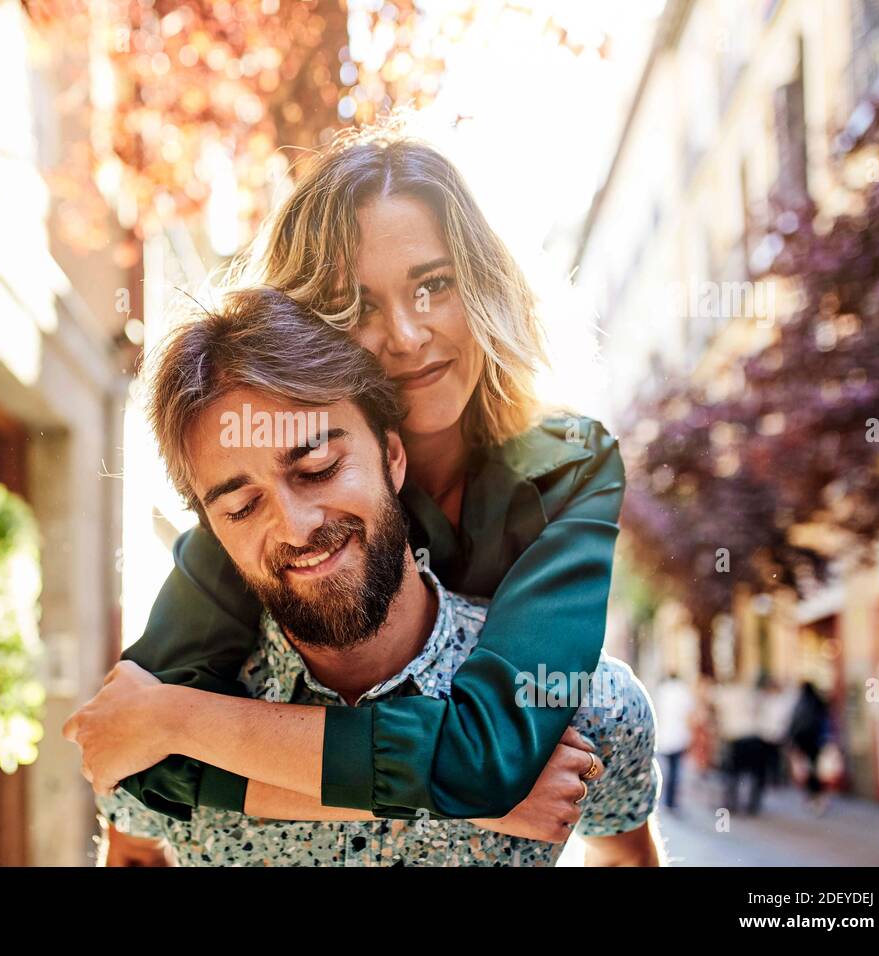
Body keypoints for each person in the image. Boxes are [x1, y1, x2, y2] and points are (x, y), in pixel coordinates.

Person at [68, 126, 627, 828]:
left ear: (482, 284)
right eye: (356, 305)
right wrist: (457, 802)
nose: (405, 334)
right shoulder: (274, 495)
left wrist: (180, 718)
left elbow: (487, 760)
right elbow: (135, 755)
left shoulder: (572, 469)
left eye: (433, 285)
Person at [81, 290, 661, 866]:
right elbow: (132, 852)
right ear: (210, 527)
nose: (296, 527)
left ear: (392, 456)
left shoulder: (585, 710)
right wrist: (450, 799)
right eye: (241, 507)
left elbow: (624, 856)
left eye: (319, 469)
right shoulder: (149, 722)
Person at [715, 679, 768, 815]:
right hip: (753, 736)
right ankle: (752, 806)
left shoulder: (724, 694)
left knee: (733, 774)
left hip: (736, 737)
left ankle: (732, 804)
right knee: (754, 774)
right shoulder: (752, 694)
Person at [787, 681, 831, 814]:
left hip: (804, 742)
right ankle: (816, 794)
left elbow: (794, 722)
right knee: (814, 767)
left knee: (808, 769)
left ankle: (813, 794)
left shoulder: (800, 703)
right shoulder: (819, 702)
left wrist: (792, 741)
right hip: (816, 742)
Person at [653, 671, 694, 812]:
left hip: (666, 735)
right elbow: (689, 715)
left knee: (667, 769)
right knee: (676, 770)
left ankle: (666, 800)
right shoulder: (683, 691)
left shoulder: (662, 691)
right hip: (679, 735)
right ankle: (672, 801)